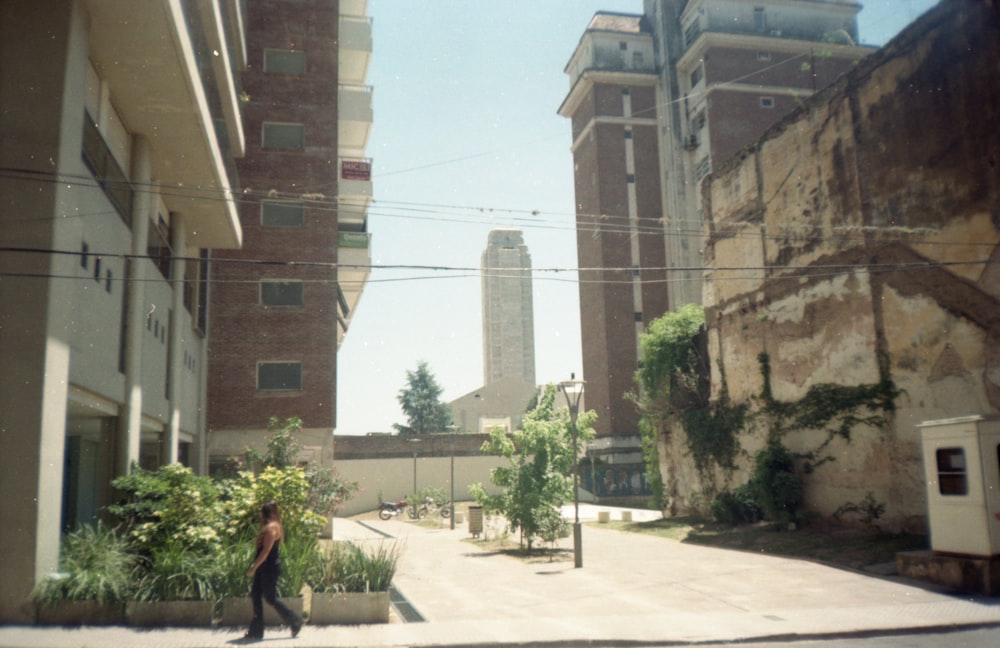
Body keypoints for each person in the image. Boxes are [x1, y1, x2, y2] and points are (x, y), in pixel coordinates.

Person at [244, 501, 303, 640]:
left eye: (261, 512)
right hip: (263, 567)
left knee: (270, 598)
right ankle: (256, 630)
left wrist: (254, 567)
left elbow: (265, 552)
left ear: (265, 513)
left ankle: (295, 621)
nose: (259, 514)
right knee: (256, 595)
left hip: (269, 568)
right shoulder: (271, 526)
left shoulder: (271, 528)